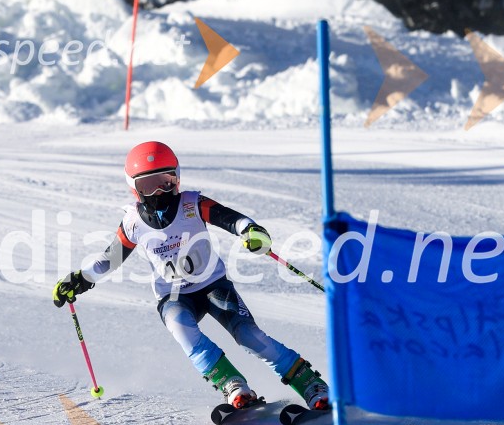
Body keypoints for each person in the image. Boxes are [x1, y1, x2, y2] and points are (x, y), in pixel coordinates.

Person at [53, 141, 329, 410]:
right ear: (134, 189)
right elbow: (109, 259)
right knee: (182, 330)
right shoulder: (133, 223)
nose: (159, 191)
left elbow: (232, 219)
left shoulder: (192, 204)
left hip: (213, 286)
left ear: (178, 179)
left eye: (167, 181)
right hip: (172, 295)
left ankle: (310, 384)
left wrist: (251, 231)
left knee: (248, 335)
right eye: (148, 185)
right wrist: (80, 279)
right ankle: (232, 384)